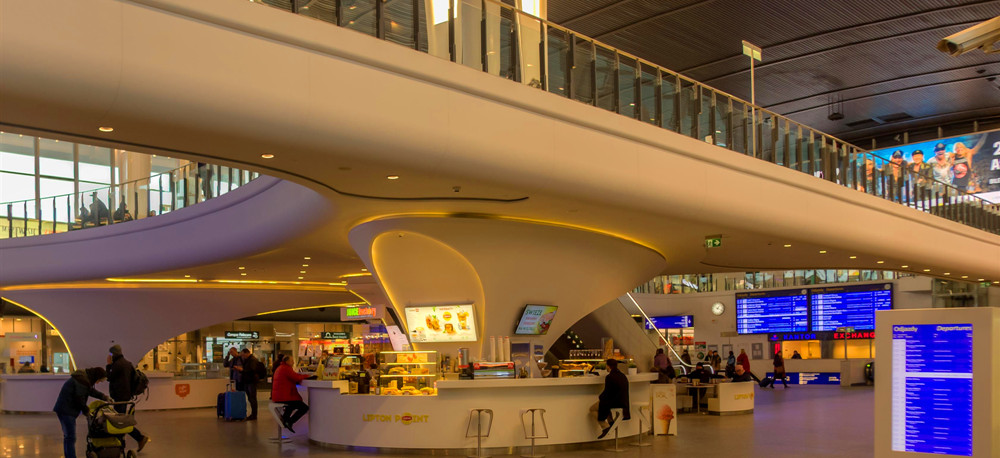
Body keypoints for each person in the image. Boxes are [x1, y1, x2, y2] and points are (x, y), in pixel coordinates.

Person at [52, 367, 110, 458]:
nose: (98, 383)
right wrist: (86, 411)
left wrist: (104, 397)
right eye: (99, 380)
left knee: (68, 437)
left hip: (65, 408)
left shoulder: (83, 379)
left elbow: (90, 391)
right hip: (66, 410)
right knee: (70, 437)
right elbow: (79, 399)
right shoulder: (81, 381)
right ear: (96, 377)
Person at [106, 345, 150, 451]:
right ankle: (120, 445)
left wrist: (108, 365)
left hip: (119, 397)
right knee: (120, 421)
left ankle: (139, 438)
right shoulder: (128, 364)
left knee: (119, 422)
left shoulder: (117, 365)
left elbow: (109, 377)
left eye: (111, 354)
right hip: (126, 396)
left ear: (114, 354)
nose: (109, 356)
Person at [271, 355, 310, 433]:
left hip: (280, 395)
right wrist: (308, 376)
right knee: (304, 408)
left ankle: (285, 419)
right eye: (291, 360)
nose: (293, 362)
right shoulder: (286, 369)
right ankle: (289, 421)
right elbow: (296, 377)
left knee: (292, 404)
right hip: (284, 396)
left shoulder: (281, 367)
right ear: (287, 361)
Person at [596, 359, 629, 439]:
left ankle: (605, 426)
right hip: (623, 402)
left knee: (593, 408)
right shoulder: (622, 375)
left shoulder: (609, 377)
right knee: (604, 403)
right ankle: (610, 422)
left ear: (608, 366)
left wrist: (600, 397)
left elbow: (607, 393)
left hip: (615, 402)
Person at [240, 348, 265, 420]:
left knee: (252, 398)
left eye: (243, 355)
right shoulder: (249, 360)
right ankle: (253, 414)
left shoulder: (252, 360)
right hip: (249, 381)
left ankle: (254, 414)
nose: (242, 356)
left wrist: (242, 370)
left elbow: (252, 370)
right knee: (251, 398)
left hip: (251, 381)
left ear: (246, 353)